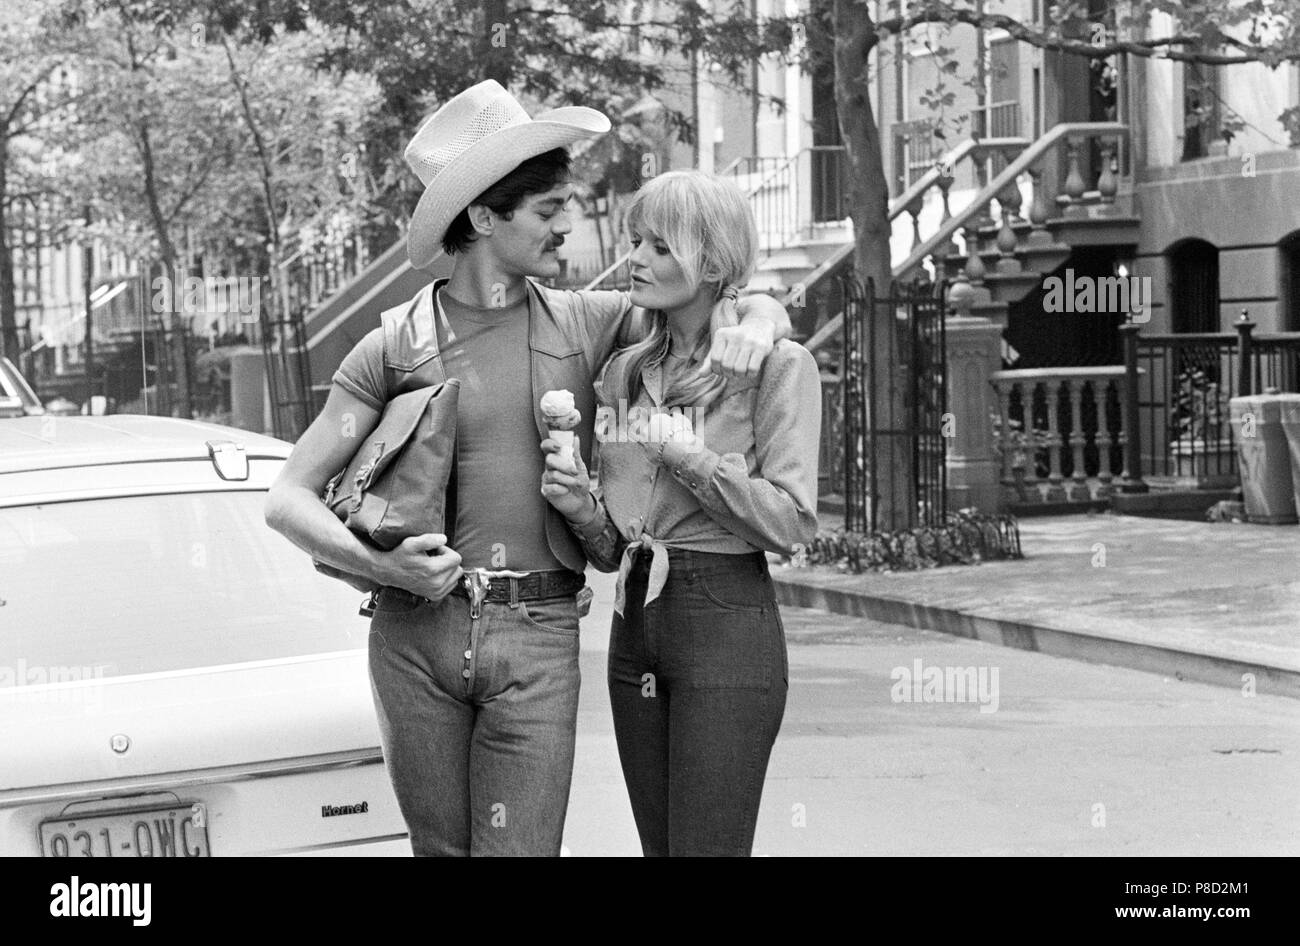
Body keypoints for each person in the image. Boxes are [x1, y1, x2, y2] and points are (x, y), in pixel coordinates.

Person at [263, 81, 792, 857]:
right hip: (414, 638)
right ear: (483, 216)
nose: (567, 225)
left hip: (539, 633)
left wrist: (763, 313)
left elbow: (709, 291)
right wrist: (383, 566)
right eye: (547, 211)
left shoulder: (588, 323)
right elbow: (288, 498)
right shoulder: (393, 344)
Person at [539, 170, 820, 857]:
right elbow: (611, 548)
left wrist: (691, 457)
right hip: (633, 620)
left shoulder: (781, 366)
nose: (635, 259)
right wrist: (582, 507)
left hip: (725, 620)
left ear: (714, 261)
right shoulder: (624, 371)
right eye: (637, 241)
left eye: (660, 247)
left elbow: (791, 525)